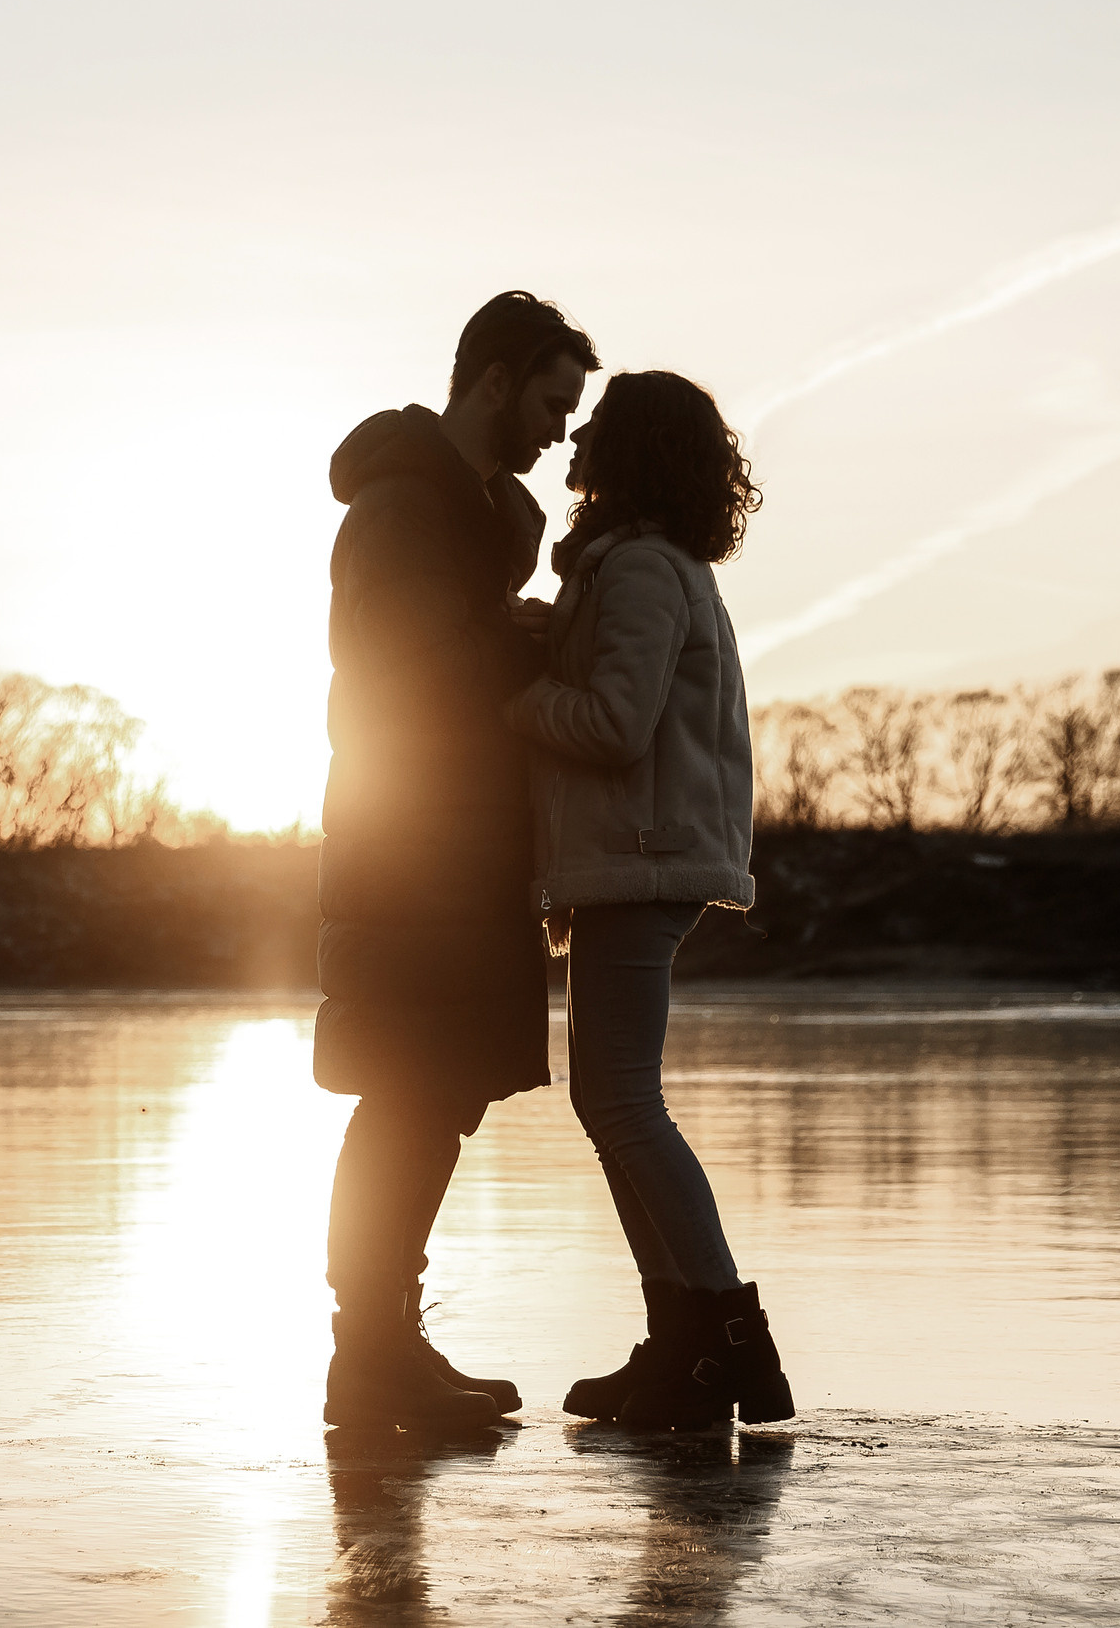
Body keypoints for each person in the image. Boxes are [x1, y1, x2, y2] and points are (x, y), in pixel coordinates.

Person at [316, 291, 596, 1428]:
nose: (561, 429)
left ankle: (384, 1341)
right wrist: (519, 636)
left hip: (471, 847)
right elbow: (396, 661)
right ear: (493, 381)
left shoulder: (491, 516)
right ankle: (367, 1349)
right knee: (404, 1092)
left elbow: (454, 644)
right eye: (549, 399)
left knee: (438, 1099)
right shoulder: (396, 504)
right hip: (404, 847)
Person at [503, 370, 793, 1428]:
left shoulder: (638, 569)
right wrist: (546, 644)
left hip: (644, 857)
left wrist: (509, 693)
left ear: (628, 453)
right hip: (640, 857)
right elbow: (622, 689)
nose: (574, 434)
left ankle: (726, 1342)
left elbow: (616, 725)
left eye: (598, 425)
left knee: (623, 1103)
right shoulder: (640, 568)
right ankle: (683, 1338)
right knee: (611, 1102)